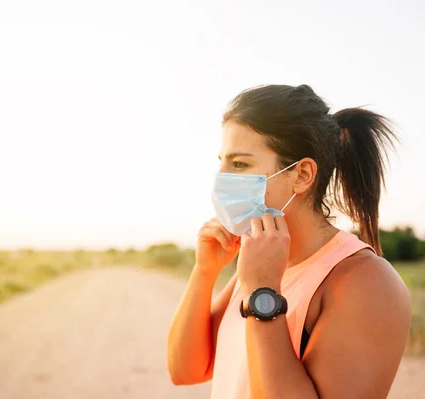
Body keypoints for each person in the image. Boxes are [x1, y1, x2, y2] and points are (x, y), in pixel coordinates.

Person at [167, 84, 411, 399]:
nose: (221, 179)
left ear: (302, 175)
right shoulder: (261, 262)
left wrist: (263, 293)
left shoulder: (366, 282)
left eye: (239, 164)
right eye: (222, 162)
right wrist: (205, 271)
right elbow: (185, 370)